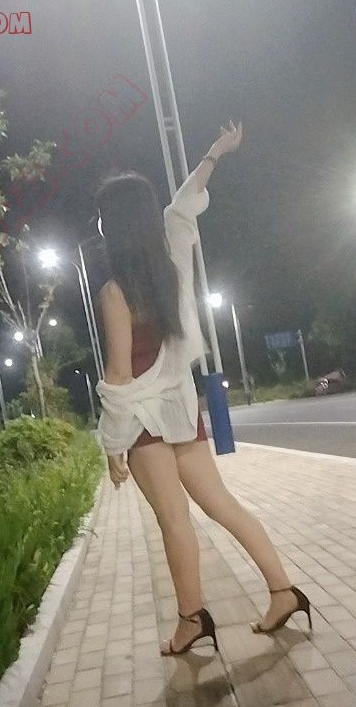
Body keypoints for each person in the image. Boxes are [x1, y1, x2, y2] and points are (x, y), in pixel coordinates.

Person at [94, 120, 311, 656]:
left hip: (144, 419)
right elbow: (184, 205)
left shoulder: (116, 291)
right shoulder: (172, 257)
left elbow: (119, 374)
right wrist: (215, 152)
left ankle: (191, 622)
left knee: (175, 522)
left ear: (110, 226)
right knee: (223, 505)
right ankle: (283, 592)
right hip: (181, 407)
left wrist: (112, 443)